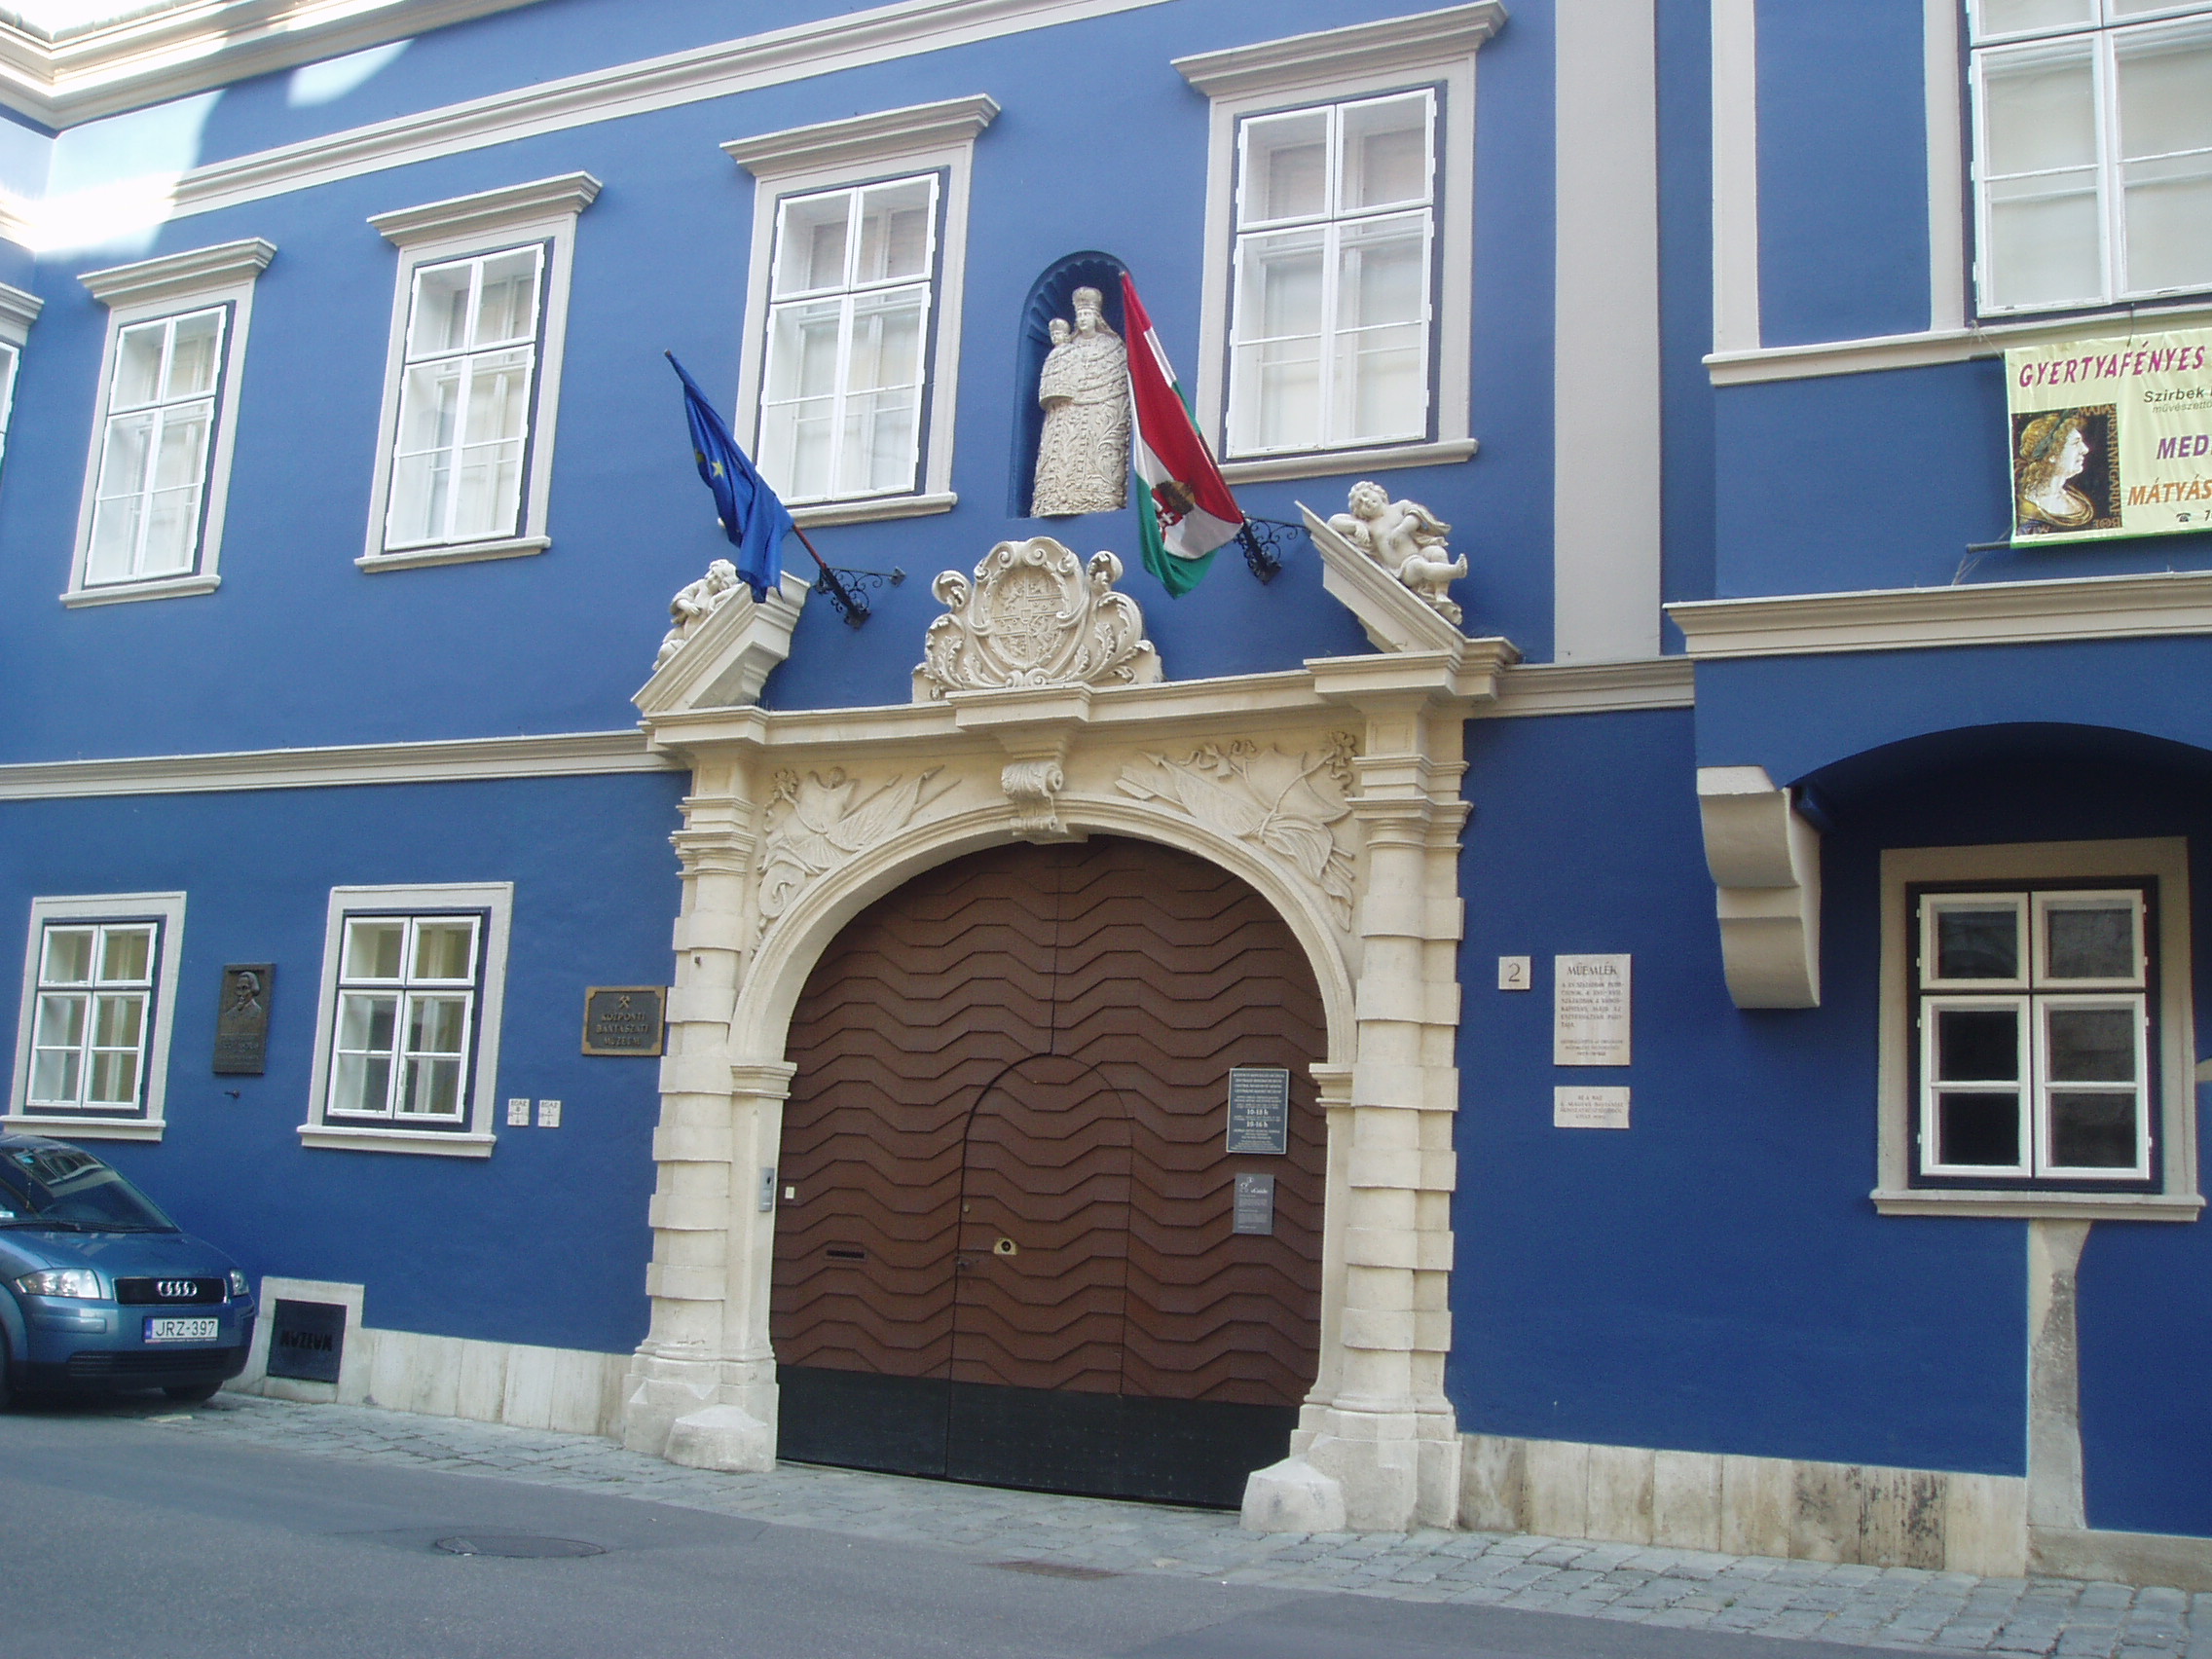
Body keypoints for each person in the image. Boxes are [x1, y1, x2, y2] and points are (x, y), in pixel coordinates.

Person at [1030, 287, 1129, 516]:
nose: (1083, 319)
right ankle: (1055, 496)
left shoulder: (1111, 345)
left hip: (1099, 410)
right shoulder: (1067, 348)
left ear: (1096, 317)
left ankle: (1098, 494)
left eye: (1087, 314)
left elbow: (1119, 383)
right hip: (1068, 413)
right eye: (1080, 315)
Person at [2014, 410, 2099, 532]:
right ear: (2052, 455)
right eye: (2075, 443)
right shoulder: (2030, 508)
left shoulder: (2074, 498)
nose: (2085, 449)